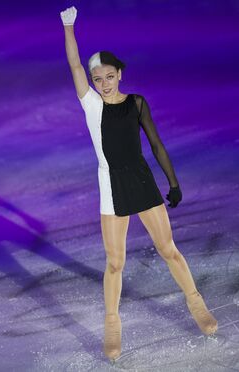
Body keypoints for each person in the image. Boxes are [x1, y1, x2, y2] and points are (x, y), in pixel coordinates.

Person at [59, 6, 218, 362]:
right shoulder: (92, 107)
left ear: (119, 74)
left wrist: (173, 183)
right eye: (97, 79)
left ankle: (196, 303)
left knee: (168, 249)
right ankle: (112, 322)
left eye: (109, 76)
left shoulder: (137, 103)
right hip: (111, 187)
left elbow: (157, 144)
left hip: (143, 182)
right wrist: (69, 27)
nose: (103, 83)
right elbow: (73, 65)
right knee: (115, 262)